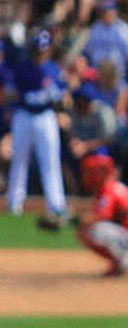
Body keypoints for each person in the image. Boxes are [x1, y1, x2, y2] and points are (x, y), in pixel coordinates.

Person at [8, 29, 66, 223]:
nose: (40, 53)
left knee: (50, 161)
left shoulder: (53, 69)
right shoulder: (23, 68)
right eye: (37, 50)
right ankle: (15, 202)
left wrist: (54, 93)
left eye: (43, 49)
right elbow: (11, 93)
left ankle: (56, 204)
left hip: (45, 116)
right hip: (24, 115)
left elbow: (62, 97)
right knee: (19, 160)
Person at [69, 152, 128, 277]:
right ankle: (122, 258)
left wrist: (71, 220)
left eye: (90, 172)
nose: (86, 175)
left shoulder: (108, 189)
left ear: (100, 173)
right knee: (91, 228)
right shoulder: (111, 186)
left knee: (91, 231)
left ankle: (122, 261)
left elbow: (102, 215)